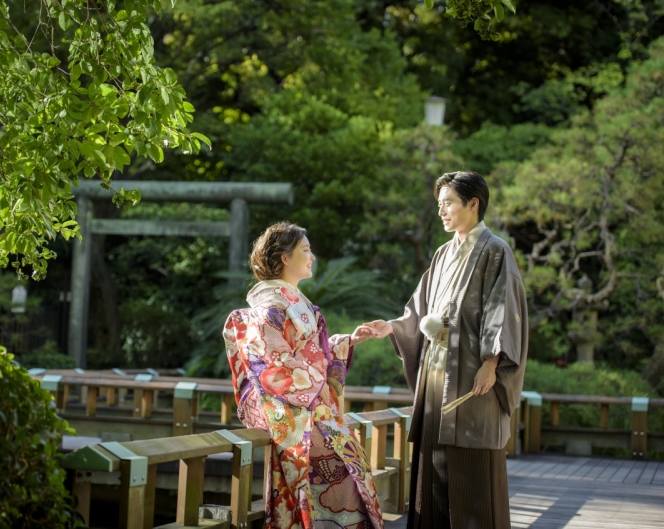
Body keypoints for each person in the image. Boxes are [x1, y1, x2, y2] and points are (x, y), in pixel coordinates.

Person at [365, 171, 528, 529]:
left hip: (473, 380)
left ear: (473, 204)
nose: (441, 211)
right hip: (436, 378)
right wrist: (392, 327)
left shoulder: (495, 251)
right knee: (434, 471)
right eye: (439, 204)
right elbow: (422, 311)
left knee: (473, 474)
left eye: (448, 203)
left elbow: (503, 311)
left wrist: (491, 362)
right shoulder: (443, 253)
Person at [223, 222, 384, 529]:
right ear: (285, 258)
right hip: (296, 414)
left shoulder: (296, 302)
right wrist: (316, 383)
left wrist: (347, 341)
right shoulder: (267, 307)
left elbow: (311, 353)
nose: (312, 257)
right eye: (305, 251)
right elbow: (272, 363)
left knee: (353, 477)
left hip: (314, 408)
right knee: (339, 484)